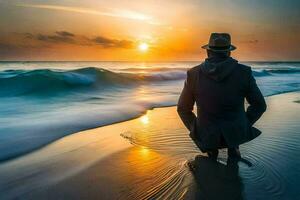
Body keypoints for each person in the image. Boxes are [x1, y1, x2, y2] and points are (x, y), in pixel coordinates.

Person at [177, 33, 267, 161]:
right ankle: (233, 149)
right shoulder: (243, 72)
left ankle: (211, 150)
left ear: (208, 52)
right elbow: (260, 105)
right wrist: (244, 124)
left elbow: (182, 108)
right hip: (236, 131)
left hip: (206, 133)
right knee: (234, 165)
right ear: (229, 52)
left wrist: (196, 129)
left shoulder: (193, 74)